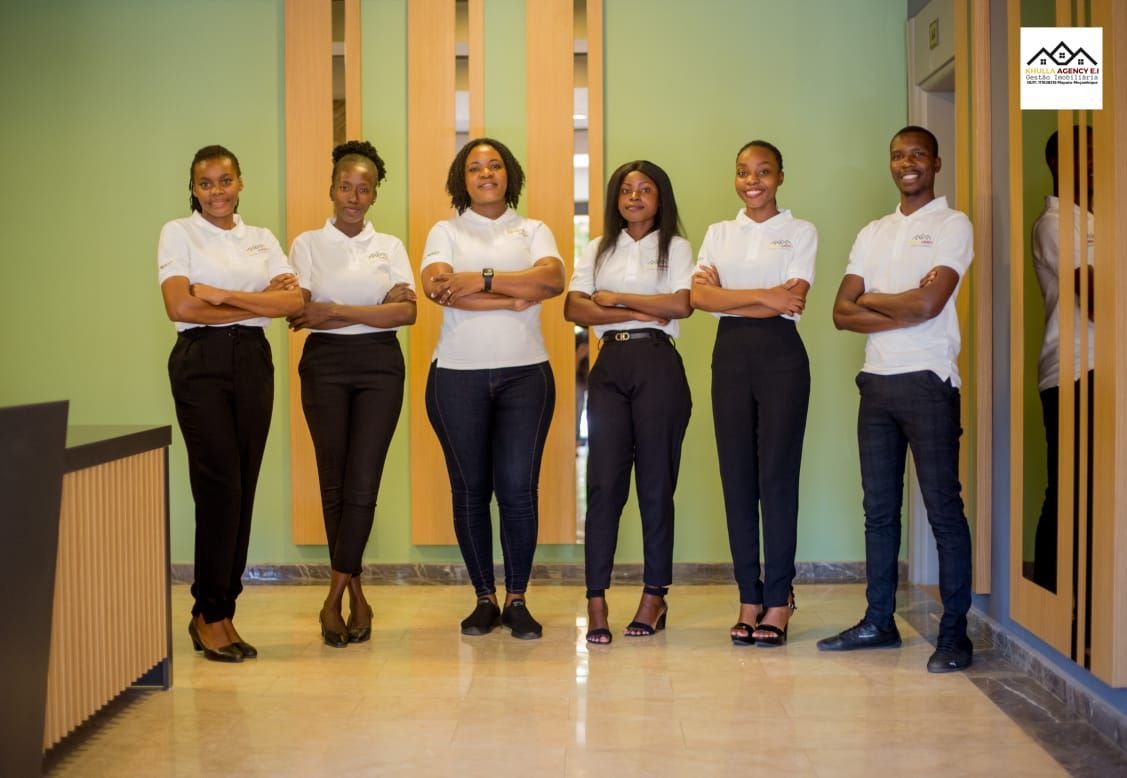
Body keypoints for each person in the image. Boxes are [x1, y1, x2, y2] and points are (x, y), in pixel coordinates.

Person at [821, 126, 975, 673]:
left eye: (917, 155)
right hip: (877, 382)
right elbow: (841, 313)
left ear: (935, 162)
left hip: (929, 382)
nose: (906, 163)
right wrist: (901, 300)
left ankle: (955, 635)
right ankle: (878, 622)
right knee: (879, 512)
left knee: (943, 511)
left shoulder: (953, 225)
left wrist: (877, 301)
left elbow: (931, 305)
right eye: (897, 155)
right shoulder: (873, 231)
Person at [158, 145, 303, 662]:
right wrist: (253, 301)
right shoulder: (179, 232)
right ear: (193, 189)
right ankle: (207, 612)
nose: (216, 191)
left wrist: (220, 295)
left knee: (242, 488)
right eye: (205, 183)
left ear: (240, 183)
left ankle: (225, 611)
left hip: (252, 361)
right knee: (219, 488)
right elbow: (179, 304)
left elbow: (292, 303)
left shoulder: (261, 239)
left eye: (225, 180)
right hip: (200, 362)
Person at [422, 137, 565, 640]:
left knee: (519, 490)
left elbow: (551, 281)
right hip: (455, 377)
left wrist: (478, 280)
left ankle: (518, 599)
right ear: (462, 178)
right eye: (476, 167)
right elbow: (438, 288)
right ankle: (484, 597)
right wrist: (509, 295)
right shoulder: (445, 230)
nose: (486, 173)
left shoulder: (533, 229)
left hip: (526, 375)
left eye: (495, 165)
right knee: (470, 491)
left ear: (510, 175)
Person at [288, 140, 416, 647]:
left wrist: (335, 310)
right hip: (325, 365)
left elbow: (406, 314)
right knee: (334, 483)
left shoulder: (390, 247)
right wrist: (372, 307)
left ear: (374, 194)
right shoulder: (306, 245)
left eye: (364, 189)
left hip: (381, 367)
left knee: (363, 482)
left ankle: (332, 596)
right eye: (346, 186)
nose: (354, 196)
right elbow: (300, 314)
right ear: (332, 188)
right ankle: (355, 593)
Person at [692, 140, 815, 647]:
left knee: (777, 479)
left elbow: (794, 303)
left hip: (782, 359)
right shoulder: (719, 233)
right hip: (731, 361)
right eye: (743, 171)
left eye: (763, 171)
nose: (752, 180)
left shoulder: (800, 232)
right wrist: (766, 294)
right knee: (737, 479)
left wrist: (731, 298)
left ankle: (779, 599)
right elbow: (698, 297)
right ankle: (749, 597)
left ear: (781, 176)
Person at [564, 160, 693, 644]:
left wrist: (615, 299)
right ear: (615, 199)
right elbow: (573, 307)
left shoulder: (675, 247)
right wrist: (644, 307)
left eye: (645, 189)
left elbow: (681, 305)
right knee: (603, 486)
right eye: (625, 189)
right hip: (609, 367)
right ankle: (596, 602)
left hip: (658, 365)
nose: (634, 196)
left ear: (661, 198)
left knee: (656, 486)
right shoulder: (598, 248)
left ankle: (654, 597)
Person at [1030, 126, 1095, 594]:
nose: (1098, 164)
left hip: (1106, 370)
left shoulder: (1099, 220)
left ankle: (1091, 592)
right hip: (1072, 370)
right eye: (1087, 156)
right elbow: (1092, 297)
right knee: (1069, 488)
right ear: (1058, 162)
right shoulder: (1054, 224)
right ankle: (1056, 595)